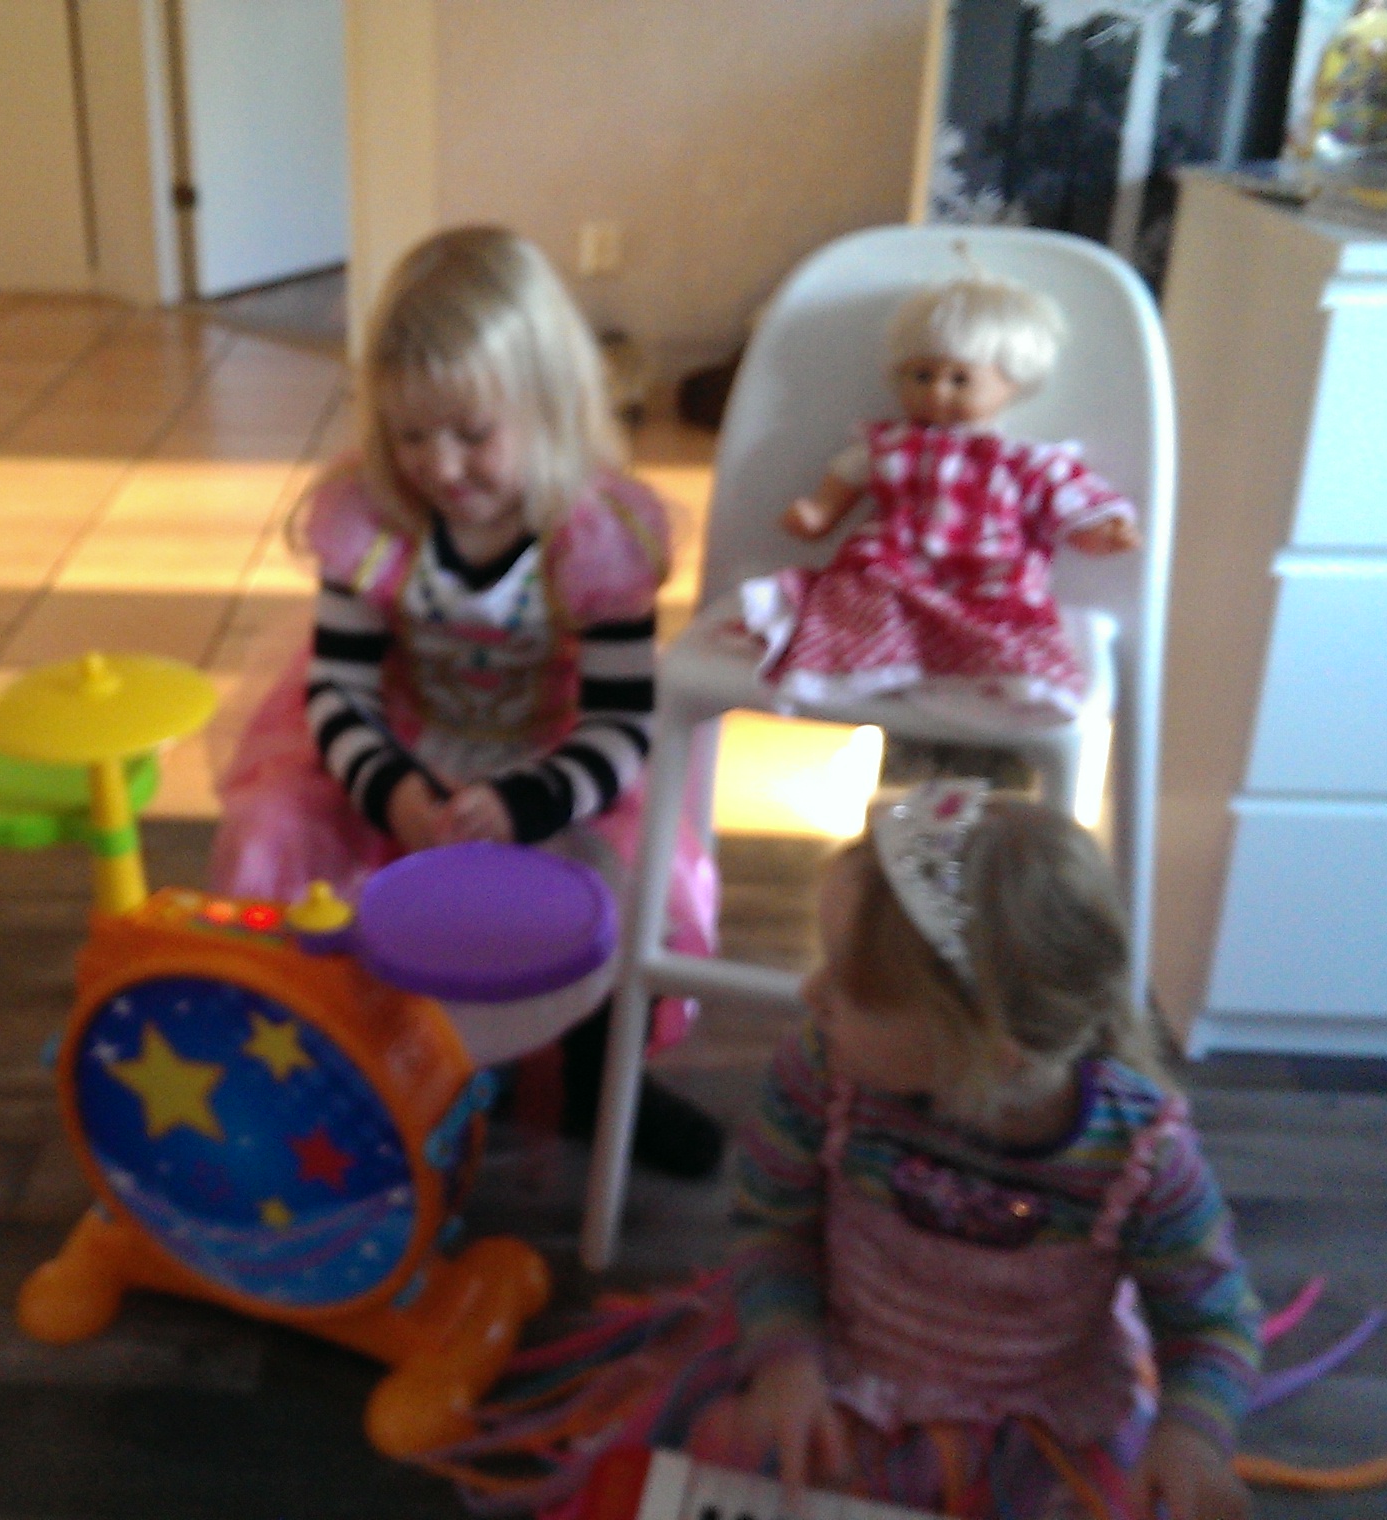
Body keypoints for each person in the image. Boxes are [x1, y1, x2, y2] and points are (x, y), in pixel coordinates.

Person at [433, 782, 1260, 1520]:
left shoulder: (1142, 1159)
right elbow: (773, 1225)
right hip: (833, 1375)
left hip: (1040, 1429)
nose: (810, 992)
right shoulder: (823, 1072)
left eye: (851, 989)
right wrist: (785, 1360)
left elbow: (1213, 1320)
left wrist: (1192, 1437)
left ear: (987, 1050)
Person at [209, 225, 723, 1178]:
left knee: (633, 881)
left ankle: (599, 1081)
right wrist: (393, 791)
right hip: (398, 745)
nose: (441, 468)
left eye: (472, 435)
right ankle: (330, 1055)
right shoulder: (369, 519)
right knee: (275, 831)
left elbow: (622, 722)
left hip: (556, 757)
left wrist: (529, 802)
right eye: (412, 436)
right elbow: (337, 690)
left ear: (548, 407)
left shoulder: (600, 535)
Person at [741, 273, 1139, 727]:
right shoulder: (887, 446)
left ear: (1012, 383)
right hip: (892, 564)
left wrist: (1099, 530)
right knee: (860, 599)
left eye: (960, 379)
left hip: (986, 572)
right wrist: (818, 513)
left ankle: (988, 674)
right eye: (922, 375)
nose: (936, 391)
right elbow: (842, 482)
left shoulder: (1024, 460)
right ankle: (871, 662)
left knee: (1001, 623)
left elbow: (1067, 497)